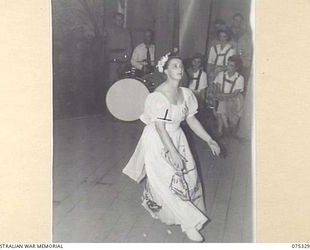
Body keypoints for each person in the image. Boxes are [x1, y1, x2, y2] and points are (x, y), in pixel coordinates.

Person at [122, 53, 221, 242]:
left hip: (177, 136)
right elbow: (160, 128)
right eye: (174, 66)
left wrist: (210, 140)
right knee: (166, 179)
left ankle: (160, 206)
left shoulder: (186, 93)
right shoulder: (159, 95)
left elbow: (191, 120)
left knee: (186, 179)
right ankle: (189, 224)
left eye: (181, 66)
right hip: (157, 140)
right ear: (165, 70)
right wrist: (173, 152)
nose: (179, 69)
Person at [213, 55, 245, 137]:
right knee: (221, 103)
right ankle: (224, 129)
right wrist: (219, 94)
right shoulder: (221, 74)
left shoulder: (240, 78)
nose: (228, 67)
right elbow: (217, 87)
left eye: (231, 65)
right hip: (222, 97)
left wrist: (222, 96)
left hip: (234, 99)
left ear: (236, 68)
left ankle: (222, 129)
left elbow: (235, 94)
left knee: (222, 104)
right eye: (228, 64)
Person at [105, 12, 132, 85]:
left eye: (120, 20)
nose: (119, 22)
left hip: (122, 59)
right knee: (111, 82)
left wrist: (126, 59)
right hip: (111, 60)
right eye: (117, 20)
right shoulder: (109, 32)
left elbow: (129, 47)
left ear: (123, 21)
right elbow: (106, 46)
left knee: (120, 82)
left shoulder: (126, 33)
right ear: (113, 20)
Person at [229, 13, 253, 84]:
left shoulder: (245, 35)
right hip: (227, 62)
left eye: (239, 21)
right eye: (236, 20)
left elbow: (248, 50)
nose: (237, 22)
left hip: (241, 63)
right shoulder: (227, 32)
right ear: (232, 20)